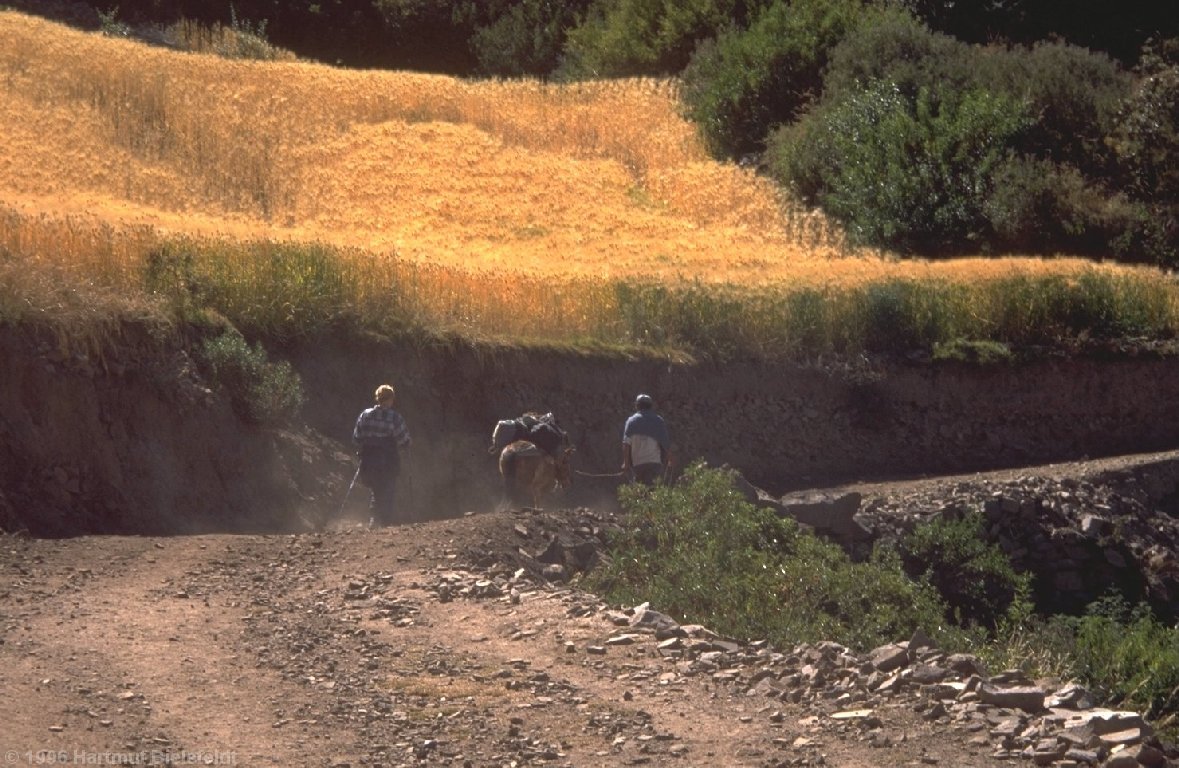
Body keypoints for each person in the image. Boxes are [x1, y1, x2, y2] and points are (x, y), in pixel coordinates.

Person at [352, 383, 411, 528]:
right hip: (388, 461)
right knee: (387, 489)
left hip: (369, 460)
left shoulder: (364, 415)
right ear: (390, 399)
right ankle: (385, 521)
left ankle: (374, 520)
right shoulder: (395, 418)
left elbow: (356, 438)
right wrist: (406, 445)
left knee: (376, 489)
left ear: (378, 398)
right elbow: (404, 439)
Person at [621, 393, 671, 485]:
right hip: (654, 464)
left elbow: (626, 444)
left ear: (637, 405)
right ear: (650, 406)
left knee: (640, 494)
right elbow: (665, 443)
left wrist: (626, 463)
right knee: (654, 493)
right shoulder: (658, 421)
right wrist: (670, 459)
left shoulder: (631, 422)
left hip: (637, 465)